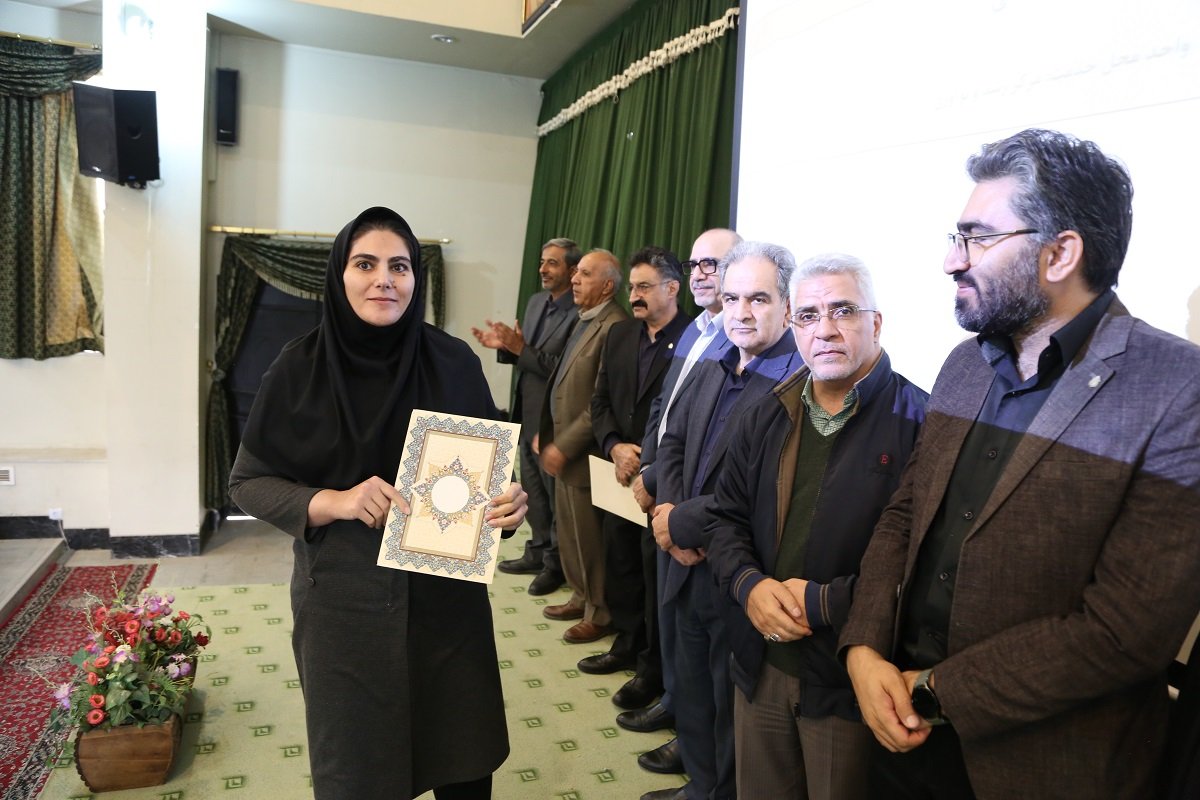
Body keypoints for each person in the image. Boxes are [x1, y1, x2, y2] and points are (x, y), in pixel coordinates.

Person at [841, 129, 1200, 799]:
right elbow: (905, 516)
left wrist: (936, 690)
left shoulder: (1178, 387)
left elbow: (1125, 631)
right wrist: (862, 649)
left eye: (977, 238)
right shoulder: (963, 365)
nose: (952, 260)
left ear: (1060, 253)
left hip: (1042, 767)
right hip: (897, 735)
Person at [229, 207, 529, 800]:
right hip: (344, 606)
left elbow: (491, 484)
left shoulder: (453, 362)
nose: (384, 280)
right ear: (339, 275)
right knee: (358, 770)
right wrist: (335, 500)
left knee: (462, 758)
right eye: (365, 264)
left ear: (417, 278)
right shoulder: (298, 368)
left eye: (400, 266)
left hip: (447, 603)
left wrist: (509, 507)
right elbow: (247, 483)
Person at [705, 253, 928, 799]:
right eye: (807, 315)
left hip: (849, 680)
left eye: (843, 311)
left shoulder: (923, 423)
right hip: (760, 664)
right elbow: (725, 519)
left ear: (876, 323)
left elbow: (925, 567)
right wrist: (748, 586)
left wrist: (825, 603)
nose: (824, 329)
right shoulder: (765, 413)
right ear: (793, 325)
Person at [648, 241, 804, 800]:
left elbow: (762, 491)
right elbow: (674, 441)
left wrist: (680, 525)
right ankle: (701, 787)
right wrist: (669, 513)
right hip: (684, 563)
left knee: (730, 707)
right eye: (732, 298)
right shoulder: (718, 360)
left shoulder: (799, 381)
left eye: (758, 299)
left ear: (787, 306)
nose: (741, 312)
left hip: (738, 574)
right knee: (692, 695)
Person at [621, 228, 739, 775]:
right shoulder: (697, 328)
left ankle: (692, 741)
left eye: (714, 263)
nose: (701, 273)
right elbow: (665, 411)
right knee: (670, 622)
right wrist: (649, 467)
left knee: (699, 641)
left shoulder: (739, 336)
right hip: (662, 487)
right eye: (695, 264)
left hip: (691, 508)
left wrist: (665, 493)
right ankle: (675, 706)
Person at [586, 246, 690, 708]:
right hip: (618, 470)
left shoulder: (693, 338)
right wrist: (613, 445)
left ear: (673, 288)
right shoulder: (620, 334)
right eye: (632, 287)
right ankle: (625, 644)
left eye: (645, 287)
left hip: (661, 477)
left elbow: (684, 417)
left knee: (653, 577)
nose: (635, 296)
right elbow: (600, 400)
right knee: (621, 563)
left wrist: (645, 457)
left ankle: (652, 670)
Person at [472, 238, 580, 596]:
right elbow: (528, 356)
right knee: (531, 491)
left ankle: (556, 564)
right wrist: (505, 348)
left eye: (552, 263)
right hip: (525, 410)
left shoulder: (579, 312)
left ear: (572, 270)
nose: (543, 269)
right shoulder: (536, 302)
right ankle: (536, 551)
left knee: (553, 497)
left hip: (554, 419)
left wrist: (520, 348)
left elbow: (563, 369)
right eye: (542, 261)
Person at [537, 249, 629, 644]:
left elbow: (600, 403)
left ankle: (599, 612)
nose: (574, 279)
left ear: (607, 286)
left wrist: (564, 444)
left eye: (585, 274)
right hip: (564, 449)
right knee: (572, 535)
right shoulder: (585, 317)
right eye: (575, 272)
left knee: (590, 540)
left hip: (585, 453)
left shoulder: (615, 325)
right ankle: (580, 596)